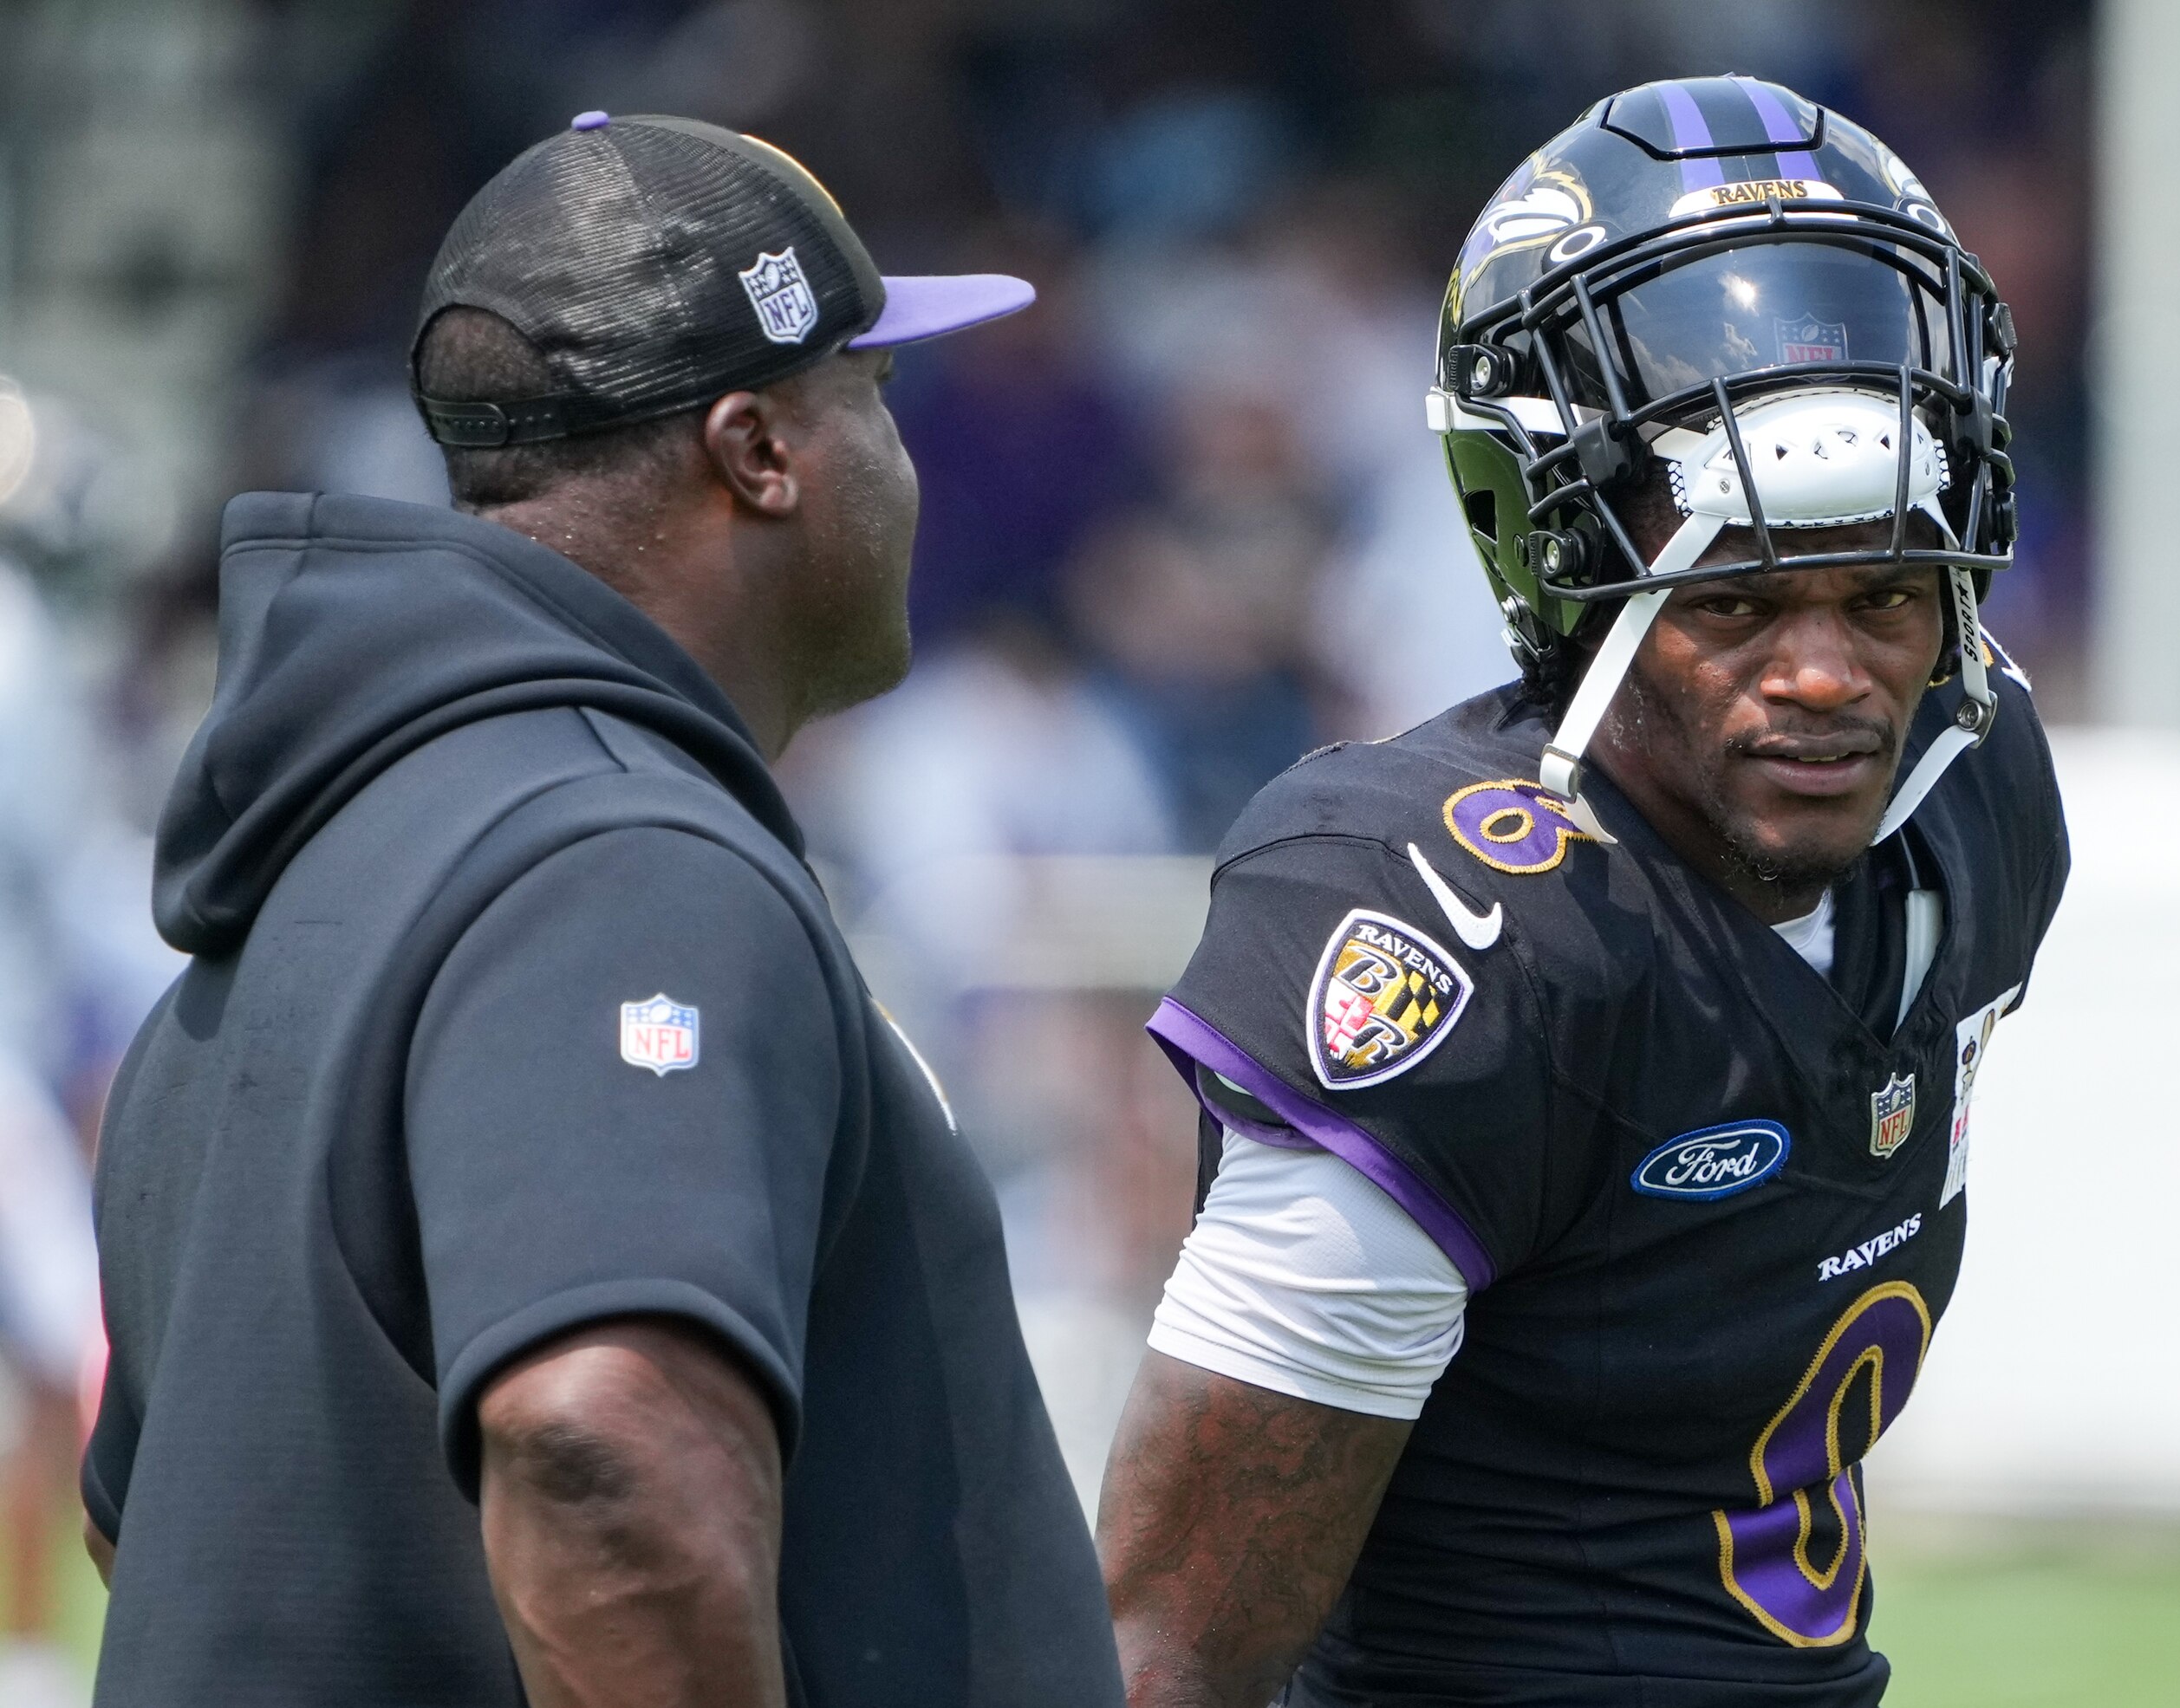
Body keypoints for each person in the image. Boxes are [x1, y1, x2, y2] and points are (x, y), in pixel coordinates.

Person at [81, 113, 1124, 1706]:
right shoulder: (620, 859)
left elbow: (157, 1543)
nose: (905, 459)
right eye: (878, 393)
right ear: (758, 453)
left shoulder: (290, 909)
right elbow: (600, 1446)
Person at [1097, 75, 2068, 1707]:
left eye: (1890, 593)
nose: (1827, 676)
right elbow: (1169, 1650)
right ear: (1564, 564)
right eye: (1740, 603)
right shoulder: (1455, 931)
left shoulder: (1974, 792)